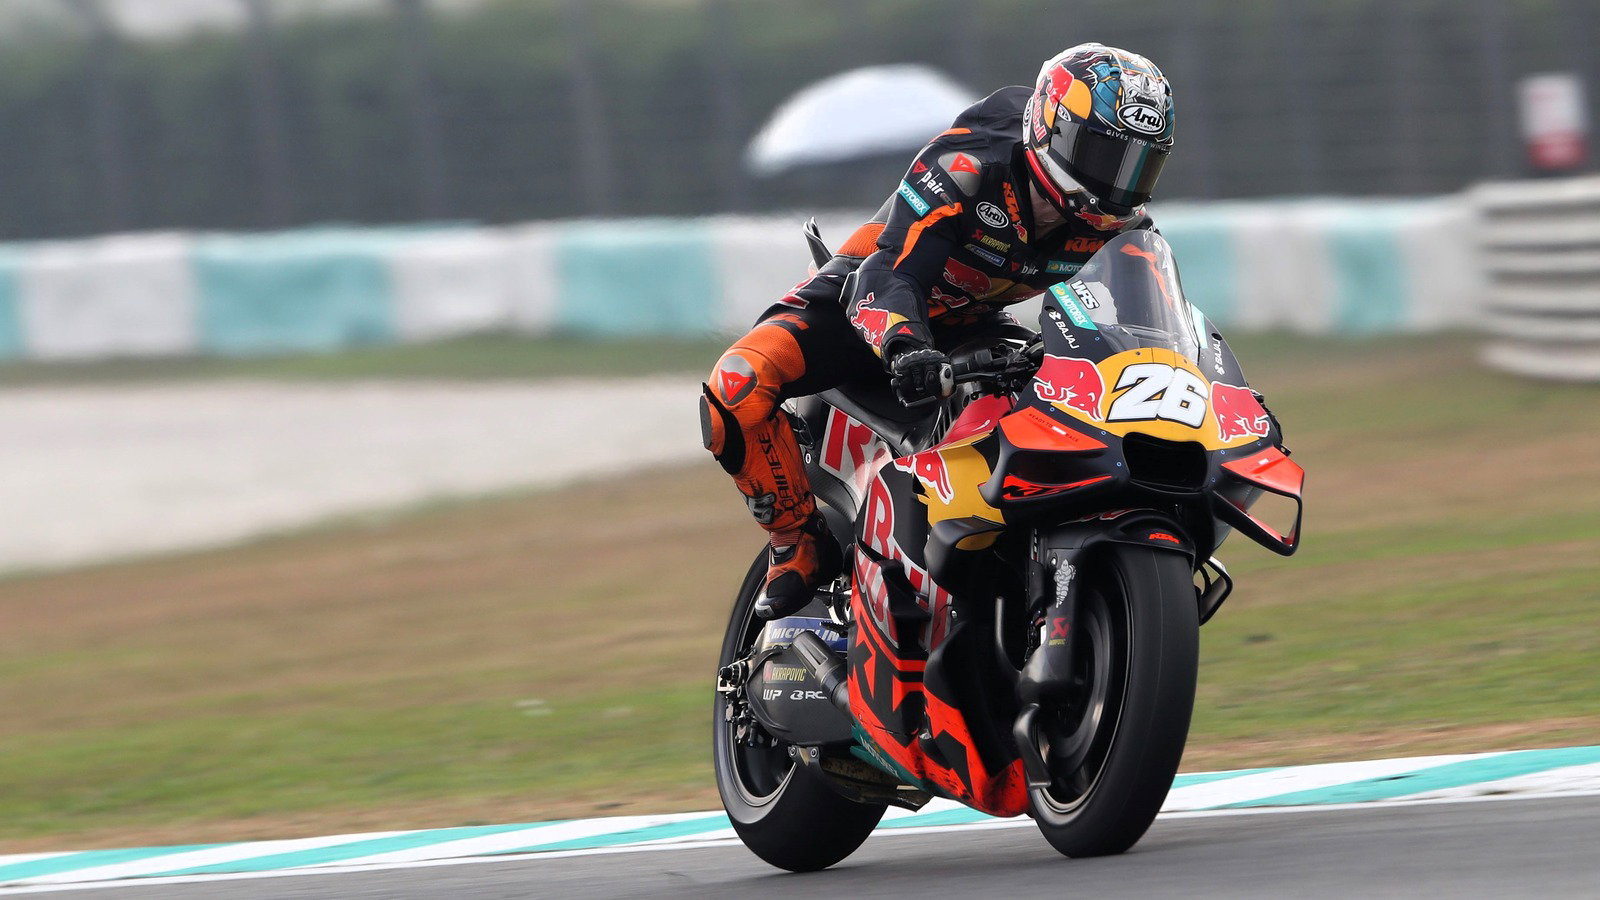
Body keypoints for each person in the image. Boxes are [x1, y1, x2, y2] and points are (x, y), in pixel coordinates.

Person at [700, 43, 1176, 620]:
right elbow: (887, 271)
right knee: (735, 388)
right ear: (1054, 130)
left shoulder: (1115, 223)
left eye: (1137, 167)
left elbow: (1145, 320)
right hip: (872, 299)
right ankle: (796, 543)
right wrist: (904, 344)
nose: (1117, 184)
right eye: (1105, 156)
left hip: (977, 327)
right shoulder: (973, 163)